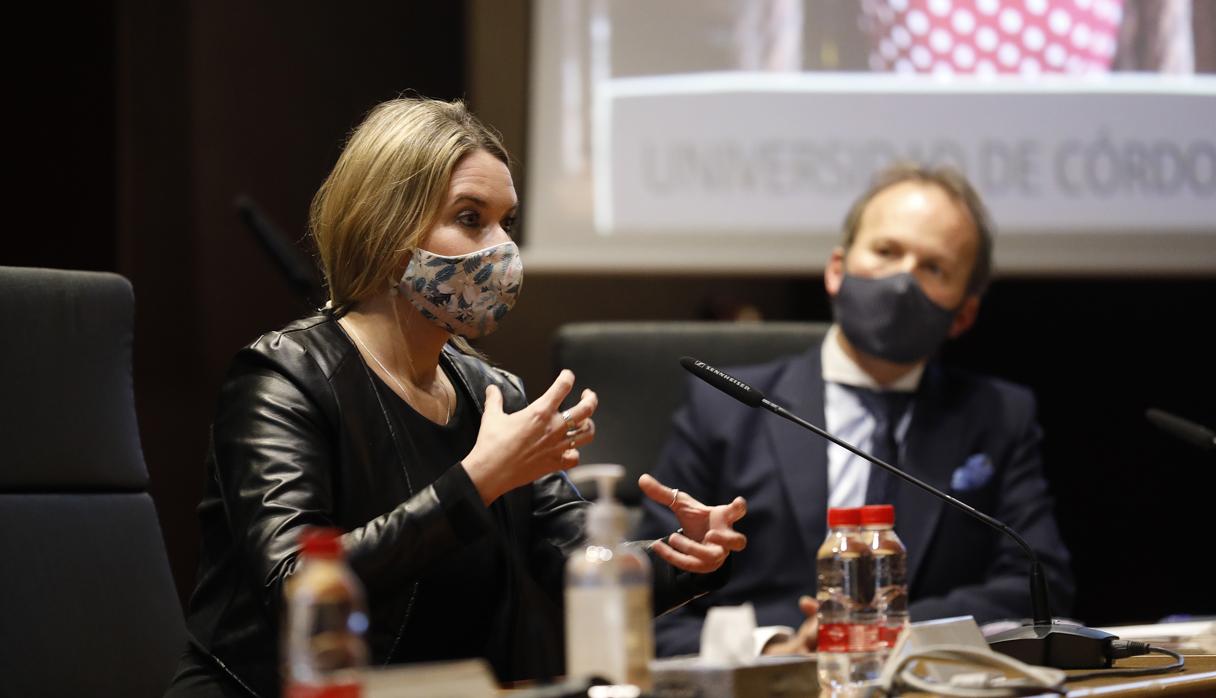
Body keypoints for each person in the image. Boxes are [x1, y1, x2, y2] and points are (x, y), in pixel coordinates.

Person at [166, 97, 748, 697]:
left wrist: (682, 557)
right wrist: (476, 481)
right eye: (471, 218)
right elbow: (298, 587)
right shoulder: (283, 378)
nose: (502, 249)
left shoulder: (493, 391)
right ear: (386, 227)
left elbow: (569, 561)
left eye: (507, 223)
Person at [638, 163, 1074, 657]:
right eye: (886, 252)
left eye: (934, 268)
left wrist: (874, 630)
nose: (903, 279)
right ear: (837, 269)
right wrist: (773, 647)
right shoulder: (727, 408)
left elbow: (1040, 587)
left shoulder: (997, 416)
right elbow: (640, 602)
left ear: (965, 313)